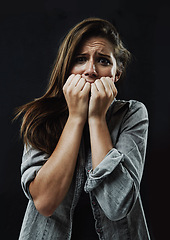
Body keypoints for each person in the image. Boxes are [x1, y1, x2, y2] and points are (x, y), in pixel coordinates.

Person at [16, 17, 150, 239]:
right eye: (80, 59)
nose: (90, 70)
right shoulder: (39, 116)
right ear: (67, 69)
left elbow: (117, 205)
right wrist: (76, 117)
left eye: (103, 61)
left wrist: (96, 118)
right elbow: (45, 203)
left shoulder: (132, 114)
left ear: (116, 74)